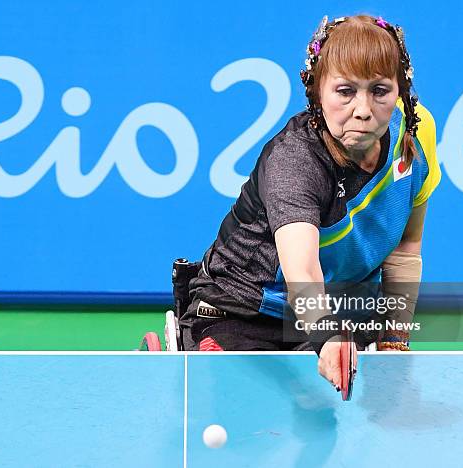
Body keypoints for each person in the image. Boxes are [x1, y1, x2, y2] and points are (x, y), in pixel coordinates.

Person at [178, 14, 441, 390]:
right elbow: (302, 270)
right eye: (345, 91)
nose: (363, 110)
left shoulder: (415, 135)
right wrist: (327, 337)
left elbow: (404, 249)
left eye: (380, 90)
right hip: (243, 312)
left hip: (344, 310)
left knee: (344, 421)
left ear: (401, 90)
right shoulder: (294, 161)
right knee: (250, 417)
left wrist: (393, 339)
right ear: (318, 91)